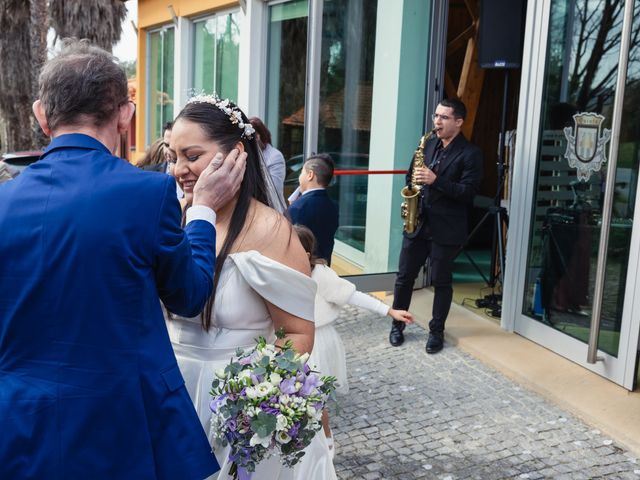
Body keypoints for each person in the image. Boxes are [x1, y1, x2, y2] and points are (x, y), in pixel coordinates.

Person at [0, 39, 247, 479]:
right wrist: (204, 210)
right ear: (124, 114)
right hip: (121, 424)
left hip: (20, 425)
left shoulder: (2, 202)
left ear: (41, 115)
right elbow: (189, 296)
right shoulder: (147, 193)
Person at [166, 94, 336, 479]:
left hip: (236, 407)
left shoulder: (271, 231)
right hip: (174, 395)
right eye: (173, 156)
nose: (179, 169)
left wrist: (253, 399)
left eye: (192, 156)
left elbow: (296, 332)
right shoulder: (178, 218)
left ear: (237, 154)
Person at [294, 224, 413, 457]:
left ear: (305, 254)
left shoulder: (320, 275)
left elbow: (352, 296)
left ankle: (327, 444)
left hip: (318, 342)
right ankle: (303, 444)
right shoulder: (285, 273)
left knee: (315, 398)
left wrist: (389, 311)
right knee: (295, 396)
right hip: (295, 341)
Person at [390, 98, 483, 354]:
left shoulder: (471, 153)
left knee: (442, 282)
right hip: (418, 223)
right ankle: (397, 325)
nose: (437, 122)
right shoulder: (428, 144)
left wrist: (436, 180)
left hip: (446, 228)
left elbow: (468, 193)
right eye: (436, 116)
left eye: (443, 117)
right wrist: (416, 181)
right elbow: (410, 175)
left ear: (458, 122)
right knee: (404, 277)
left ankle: (436, 331)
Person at [287, 154, 339, 265]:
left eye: (301, 173)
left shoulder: (298, 208)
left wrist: (291, 209)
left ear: (310, 175)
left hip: (304, 270)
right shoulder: (333, 206)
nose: (299, 177)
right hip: (324, 269)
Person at [249, 116, 286, 209]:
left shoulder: (275, 156)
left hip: (271, 210)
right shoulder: (247, 154)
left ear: (258, 136)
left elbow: (274, 189)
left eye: (249, 137)